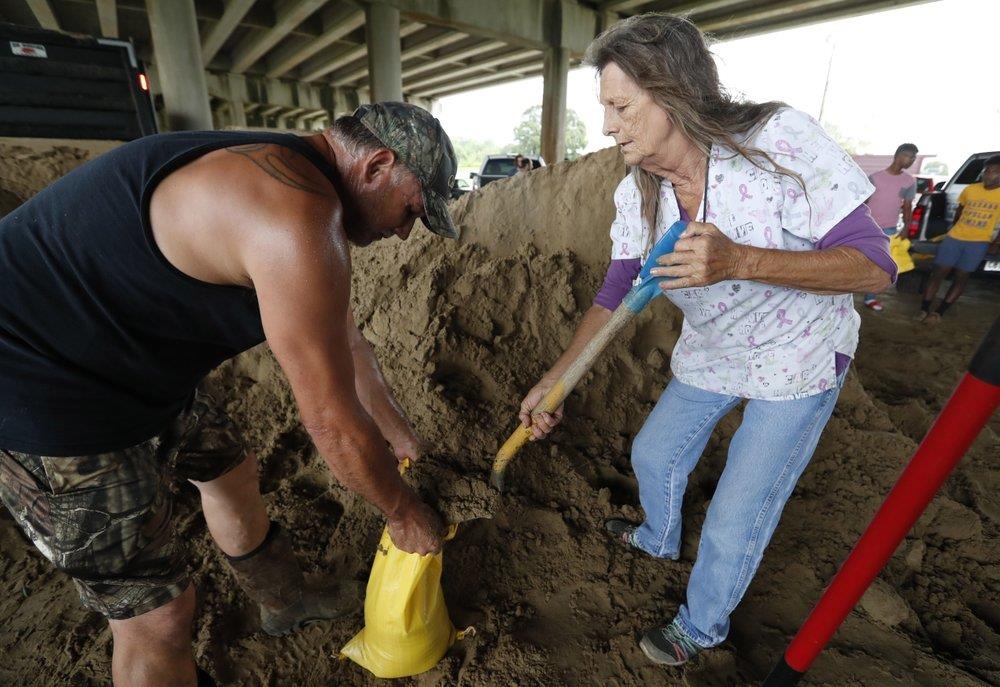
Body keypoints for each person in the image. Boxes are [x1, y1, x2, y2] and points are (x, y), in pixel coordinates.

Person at [0, 102, 456, 686]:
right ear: (378, 165)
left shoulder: (294, 179)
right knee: (157, 617)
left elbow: (347, 343)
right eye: (412, 209)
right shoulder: (296, 215)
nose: (402, 230)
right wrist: (404, 513)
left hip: (127, 359)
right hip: (38, 383)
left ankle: (283, 601)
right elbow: (330, 423)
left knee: (230, 469)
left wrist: (400, 437)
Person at [518, 14, 895, 667]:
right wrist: (556, 380)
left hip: (798, 356)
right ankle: (657, 539)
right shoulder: (639, 193)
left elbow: (872, 267)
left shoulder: (778, 143)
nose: (608, 126)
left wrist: (740, 260)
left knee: (736, 511)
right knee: (654, 452)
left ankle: (702, 623)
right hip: (717, 349)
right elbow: (613, 297)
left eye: (620, 106)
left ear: (671, 93)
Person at [919, 155, 1000, 322]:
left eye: (993, 172)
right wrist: (956, 228)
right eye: (986, 171)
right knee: (938, 273)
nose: (987, 174)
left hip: (979, 243)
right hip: (955, 238)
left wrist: (996, 243)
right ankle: (924, 309)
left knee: (961, 277)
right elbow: (959, 211)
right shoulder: (970, 189)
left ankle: (939, 312)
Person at [862, 143, 918, 310]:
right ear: (899, 155)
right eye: (910, 156)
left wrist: (906, 228)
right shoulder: (875, 177)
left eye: (914, 158)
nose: (912, 160)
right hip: (867, 226)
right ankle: (845, 291)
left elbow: (907, 206)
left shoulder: (909, 181)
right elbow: (863, 202)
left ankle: (870, 298)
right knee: (858, 258)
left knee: (880, 264)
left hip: (888, 229)